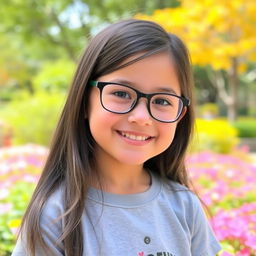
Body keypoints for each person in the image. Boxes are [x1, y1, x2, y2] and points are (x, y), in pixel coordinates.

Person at [12, 19, 221, 256]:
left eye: (162, 101)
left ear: (180, 114)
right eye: (121, 93)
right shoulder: (53, 217)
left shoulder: (184, 206)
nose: (141, 117)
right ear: (83, 101)